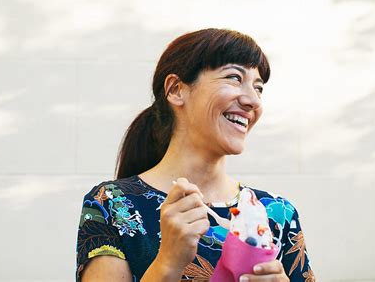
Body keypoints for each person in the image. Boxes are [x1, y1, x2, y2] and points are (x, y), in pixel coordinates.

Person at [76, 28, 315, 281]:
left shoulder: (278, 213)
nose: (253, 100)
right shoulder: (111, 204)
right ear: (176, 90)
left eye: (259, 88)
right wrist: (168, 263)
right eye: (234, 77)